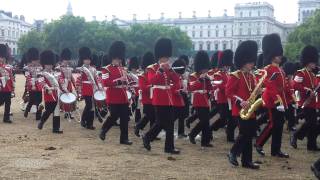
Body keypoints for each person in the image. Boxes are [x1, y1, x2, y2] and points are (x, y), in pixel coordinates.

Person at [142, 38, 180, 154]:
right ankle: (148, 137)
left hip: (168, 98)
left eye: (167, 57)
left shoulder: (169, 67)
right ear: (160, 57)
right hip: (159, 98)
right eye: (165, 57)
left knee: (169, 124)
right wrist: (160, 71)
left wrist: (171, 71)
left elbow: (176, 81)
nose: (167, 59)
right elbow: (152, 81)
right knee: (160, 122)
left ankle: (168, 147)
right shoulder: (152, 68)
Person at [255, 33, 289, 158]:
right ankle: (259, 143)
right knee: (273, 124)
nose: (280, 56)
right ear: (272, 55)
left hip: (281, 101)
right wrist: (277, 101)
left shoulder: (280, 69)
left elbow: (285, 87)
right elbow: (269, 87)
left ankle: (276, 150)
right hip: (272, 101)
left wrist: (291, 100)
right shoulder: (268, 69)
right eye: (277, 54)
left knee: (279, 125)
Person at [227, 40, 259, 169]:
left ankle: (247, 161)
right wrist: (241, 101)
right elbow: (229, 92)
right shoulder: (236, 75)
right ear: (244, 62)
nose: (252, 64)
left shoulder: (252, 76)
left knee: (250, 133)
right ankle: (233, 152)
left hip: (251, 109)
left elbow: (253, 91)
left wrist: (260, 91)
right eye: (250, 62)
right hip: (240, 109)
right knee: (245, 132)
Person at [99, 41, 132, 145]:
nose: (119, 60)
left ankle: (124, 139)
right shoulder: (106, 69)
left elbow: (125, 81)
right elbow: (105, 83)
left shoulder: (122, 69)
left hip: (122, 95)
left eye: (119, 58)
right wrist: (119, 80)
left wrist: (127, 82)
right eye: (117, 58)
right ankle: (104, 129)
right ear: (113, 58)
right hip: (113, 96)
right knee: (114, 116)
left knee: (124, 118)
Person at [290, 45, 320, 151]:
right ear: (308, 61)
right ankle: (296, 134)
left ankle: (311, 145)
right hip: (304, 102)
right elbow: (295, 85)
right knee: (311, 123)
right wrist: (307, 90)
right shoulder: (300, 72)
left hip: (312, 103)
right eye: (313, 62)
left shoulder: (313, 75)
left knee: (313, 124)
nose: (315, 64)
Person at [188, 50, 213, 147]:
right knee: (204, 121)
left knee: (206, 122)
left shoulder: (206, 76)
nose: (205, 70)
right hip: (198, 101)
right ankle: (193, 134)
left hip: (206, 100)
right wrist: (200, 79)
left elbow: (209, 88)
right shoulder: (193, 76)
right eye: (204, 69)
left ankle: (205, 141)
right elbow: (191, 88)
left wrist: (210, 85)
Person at [209, 49, 234, 142]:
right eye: (226, 65)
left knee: (231, 118)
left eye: (228, 66)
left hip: (229, 99)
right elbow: (220, 85)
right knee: (223, 119)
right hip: (222, 99)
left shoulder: (228, 74)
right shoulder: (218, 74)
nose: (227, 67)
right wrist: (230, 88)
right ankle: (211, 128)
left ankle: (230, 137)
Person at [37, 50, 63, 134]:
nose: (49, 66)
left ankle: (56, 128)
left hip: (56, 93)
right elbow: (41, 83)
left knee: (56, 110)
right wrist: (47, 88)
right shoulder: (41, 73)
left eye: (51, 64)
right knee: (49, 109)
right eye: (48, 64)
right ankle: (42, 120)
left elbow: (59, 82)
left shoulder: (55, 73)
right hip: (48, 93)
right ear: (44, 64)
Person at [76, 47, 99, 130]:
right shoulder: (81, 69)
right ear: (83, 60)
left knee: (92, 106)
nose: (87, 61)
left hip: (93, 89)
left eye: (89, 59)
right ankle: (83, 120)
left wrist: (99, 87)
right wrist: (79, 89)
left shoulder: (93, 69)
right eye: (86, 59)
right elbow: (79, 79)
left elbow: (97, 79)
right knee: (89, 105)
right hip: (85, 89)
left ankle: (90, 124)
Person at [134, 52, 156, 137]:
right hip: (146, 98)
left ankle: (151, 132)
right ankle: (139, 126)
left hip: (153, 98)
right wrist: (151, 86)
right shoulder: (142, 76)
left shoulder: (152, 74)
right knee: (150, 116)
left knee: (152, 116)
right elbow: (143, 88)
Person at [24, 48, 43, 121]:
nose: (36, 62)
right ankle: (27, 110)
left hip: (40, 87)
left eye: (36, 60)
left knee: (39, 101)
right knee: (31, 100)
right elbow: (28, 77)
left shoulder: (40, 68)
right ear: (31, 60)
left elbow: (42, 77)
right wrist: (33, 85)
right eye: (34, 60)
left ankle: (38, 116)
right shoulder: (27, 68)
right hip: (32, 87)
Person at [57, 48, 76, 119]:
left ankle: (69, 112)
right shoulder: (59, 68)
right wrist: (64, 87)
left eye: (68, 59)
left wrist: (75, 85)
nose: (67, 61)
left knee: (70, 97)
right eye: (66, 60)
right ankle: (66, 112)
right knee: (64, 97)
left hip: (69, 85)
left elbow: (71, 77)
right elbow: (60, 78)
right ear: (62, 59)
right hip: (62, 85)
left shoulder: (69, 68)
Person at [171, 58, 188, 138]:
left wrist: (183, 90)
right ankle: (165, 127)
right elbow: (172, 89)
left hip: (180, 99)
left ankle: (181, 132)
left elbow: (180, 87)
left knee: (182, 116)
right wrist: (179, 91)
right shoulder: (173, 76)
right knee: (174, 117)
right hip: (174, 100)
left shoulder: (180, 77)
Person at [0, 44, 14, 123]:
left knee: (8, 103)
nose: (2, 59)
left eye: (3, 57)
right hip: (1, 87)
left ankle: (6, 118)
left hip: (8, 88)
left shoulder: (9, 67)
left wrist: (12, 87)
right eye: (1, 57)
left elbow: (11, 78)